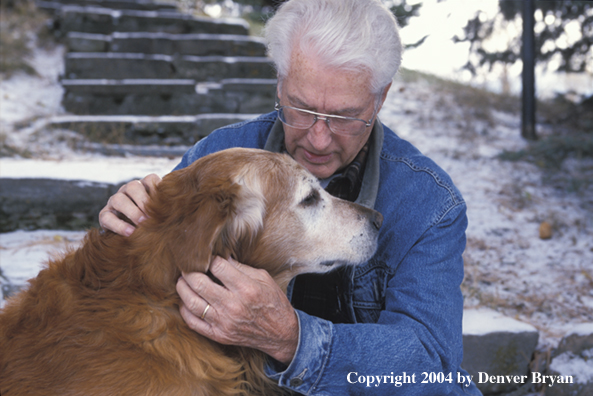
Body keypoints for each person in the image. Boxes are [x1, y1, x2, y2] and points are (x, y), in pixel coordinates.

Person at [99, 0, 482, 394]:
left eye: (346, 116)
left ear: (380, 99)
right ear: (279, 83)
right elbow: (136, 303)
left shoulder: (430, 204)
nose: (317, 138)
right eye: (300, 107)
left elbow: (433, 366)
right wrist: (132, 226)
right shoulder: (222, 158)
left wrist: (293, 340)